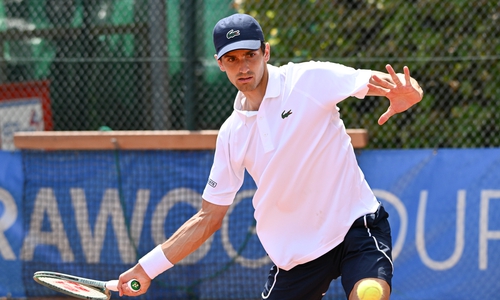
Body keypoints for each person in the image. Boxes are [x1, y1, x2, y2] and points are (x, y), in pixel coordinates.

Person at [118, 13, 423, 300]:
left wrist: (410, 93)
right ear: (220, 64)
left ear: (265, 52)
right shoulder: (231, 134)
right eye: (232, 59)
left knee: (370, 291)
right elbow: (208, 217)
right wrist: (147, 268)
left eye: (249, 55)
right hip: (296, 256)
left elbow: (385, 84)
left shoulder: (308, 80)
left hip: (355, 224)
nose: (243, 67)